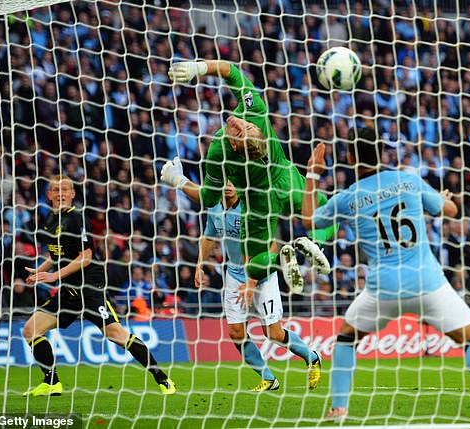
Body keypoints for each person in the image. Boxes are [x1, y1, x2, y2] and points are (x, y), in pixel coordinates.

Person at [301, 128, 470, 421]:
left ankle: (338, 408)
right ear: (382, 153)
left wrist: (312, 175)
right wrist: (439, 198)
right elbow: (449, 210)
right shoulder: (409, 180)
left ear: (349, 157)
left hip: (382, 291)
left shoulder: (348, 198)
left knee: (346, 339)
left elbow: (309, 220)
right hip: (428, 284)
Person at [161, 59, 332, 292]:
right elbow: (231, 71)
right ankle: (313, 244)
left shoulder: (218, 152)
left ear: (233, 144)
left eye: (241, 130)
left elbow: (208, 199)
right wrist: (198, 68)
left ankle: (286, 256)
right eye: (244, 128)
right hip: (284, 182)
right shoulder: (256, 112)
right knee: (327, 211)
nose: (236, 123)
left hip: (258, 202)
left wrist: (179, 180)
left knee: (253, 265)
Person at [22, 175, 175, 396]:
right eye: (56, 190)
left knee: (117, 336)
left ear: (73, 193)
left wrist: (54, 275)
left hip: (89, 290)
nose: (60, 194)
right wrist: (39, 271)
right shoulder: (49, 220)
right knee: (30, 330)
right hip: (68, 291)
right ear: (49, 195)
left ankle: (162, 378)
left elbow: (85, 257)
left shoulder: (76, 219)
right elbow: (58, 255)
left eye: (65, 189)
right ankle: (52, 382)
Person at [196, 181, 321, 391]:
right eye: (224, 181)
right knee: (236, 333)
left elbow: (271, 247)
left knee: (273, 333)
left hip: (261, 275)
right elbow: (209, 236)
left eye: (232, 182)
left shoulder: (252, 209)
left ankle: (312, 357)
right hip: (234, 274)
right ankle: (269, 379)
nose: (228, 186)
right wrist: (199, 265)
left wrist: (252, 281)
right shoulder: (215, 208)